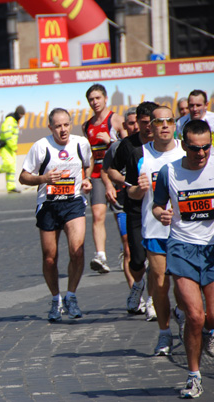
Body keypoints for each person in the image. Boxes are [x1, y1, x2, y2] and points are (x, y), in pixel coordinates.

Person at [152, 119, 214, 399]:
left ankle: (208, 333)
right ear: (183, 143)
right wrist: (160, 214)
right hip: (182, 247)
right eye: (194, 148)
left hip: (212, 249)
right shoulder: (169, 172)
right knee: (194, 315)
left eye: (206, 148)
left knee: (211, 316)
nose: (201, 154)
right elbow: (157, 205)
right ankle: (194, 376)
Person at [19, 108, 92, 322]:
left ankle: (71, 296)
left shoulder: (81, 144)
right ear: (51, 127)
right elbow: (23, 177)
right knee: (50, 258)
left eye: (66, 125)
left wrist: (85, 180)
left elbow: (88, 164)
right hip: (49, 205)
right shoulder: (41, 147)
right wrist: (44, 179)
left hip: (73, 203)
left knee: (77, 250)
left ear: (71, 125)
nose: (63, 130)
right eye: (58, 126)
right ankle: (55, 299)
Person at [126, 106, 185, 356]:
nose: (163, 125)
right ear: (150, 125)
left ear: (174, 125)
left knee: (183, 287)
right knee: (160, 284)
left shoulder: (188, 150)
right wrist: (138, 190)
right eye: (158, 121)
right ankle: (164, 333)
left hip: (187, 231)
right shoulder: (141, 154)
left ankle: (185, 314)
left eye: (168, 121)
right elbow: (130, 193)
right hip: (155, 231)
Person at [108, 101, 159, 317]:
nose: (149, 127)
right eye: (144, 123)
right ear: (137, 122)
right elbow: (111, 170)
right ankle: (138, 284)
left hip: (159, 208)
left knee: (157, 259)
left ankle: (152, 301)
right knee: (137, 259)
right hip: (135, 208)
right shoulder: (127, 146)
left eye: (152, 123)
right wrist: (126, 181)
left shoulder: (165, 145)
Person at [82, 84, 127, 274]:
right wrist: (85, 177)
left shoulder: (116, 120)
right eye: (91, 99)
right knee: (98, 214)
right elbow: (89, 156)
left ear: (105, 99)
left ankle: (127, 249)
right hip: (97, 175)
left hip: (116, 174)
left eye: (98, 98)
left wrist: (111, 141)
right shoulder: (87, 126)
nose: (95, 102)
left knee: (120, 216)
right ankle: (100, 256)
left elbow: (127, 147)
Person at [101, 108, 138, 294]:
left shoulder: (152, 147)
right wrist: (108, 186)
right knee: (128, 247)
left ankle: (152, 297)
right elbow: (104, 170)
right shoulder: (116, 147)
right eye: (131, 123)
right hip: (122, 204)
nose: (136, 126)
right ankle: (135, 293)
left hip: (145, 205)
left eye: (138, 121)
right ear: (125, 126)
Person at [0, 105, 25, 193]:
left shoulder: (14, 121)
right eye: (21, 115)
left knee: (12, 168)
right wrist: (14, 147)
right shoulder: (10, 121)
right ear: (18, 113)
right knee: (9, 165)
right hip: (6, 147)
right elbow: (8, 136)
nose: (21, 117)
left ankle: (11, 187)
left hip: (11, 148)